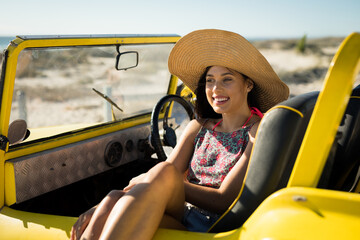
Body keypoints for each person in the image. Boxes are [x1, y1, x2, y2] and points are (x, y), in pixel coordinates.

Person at [70, 29, 289, 240]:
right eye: (210, 80)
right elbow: (165, 177)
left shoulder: (257, 130)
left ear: (248, 84)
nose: (215, 89)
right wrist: (107, 202)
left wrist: (154, 180)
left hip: (214, 224)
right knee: (113, 199)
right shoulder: (198, 128)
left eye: (227, 79)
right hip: (182, 215)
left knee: (162, 172)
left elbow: (225, 199)